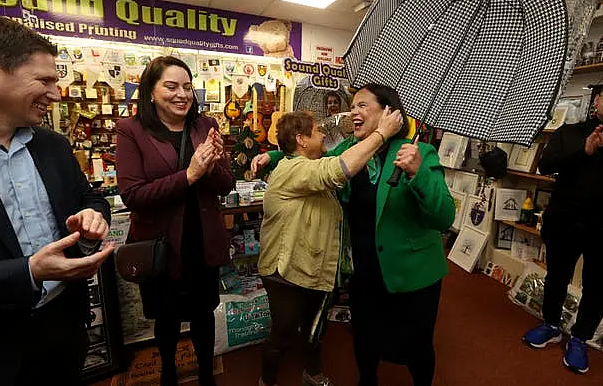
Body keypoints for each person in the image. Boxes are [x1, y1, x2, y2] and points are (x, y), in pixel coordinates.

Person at [253, 83, 455, 386]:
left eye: (362, 105)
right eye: (352, 105)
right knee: (365, 340)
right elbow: (317, 159)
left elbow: (444, 216)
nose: (353, 113)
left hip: (412, 275)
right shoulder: (350, 150)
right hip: (364, 272)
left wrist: (418, 173)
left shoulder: (420, 152)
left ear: (388, 112)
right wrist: (276, 154)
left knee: (417, 348)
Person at [0, 14, 113, 385]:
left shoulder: (53, 146)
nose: (56, 94)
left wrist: (92, 218)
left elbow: (90, 199)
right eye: (44, 80)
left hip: (63, 328)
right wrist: (28, 271)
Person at [258, 108, 403, 386]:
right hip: (286, 270)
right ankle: (267, 382)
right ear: (301, 140)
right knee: (283, 333)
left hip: (312, 268)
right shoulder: (293, 169)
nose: (323, 134)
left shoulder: (304, 164)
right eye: (316, 131)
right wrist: (382, 132)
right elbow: (338, 169)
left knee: (314, 330)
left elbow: (336, 154)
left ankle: (312, 374)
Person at [116, 56, 235, 386]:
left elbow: (226, 184)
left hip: (202, 240)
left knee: (203, 314)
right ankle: (168, 372)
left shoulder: (205, 126)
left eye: (187, 86)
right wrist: (191, 173)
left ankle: (206, 376)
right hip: (160, 245)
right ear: (150, 92)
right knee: (166, 318)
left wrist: (211, 169)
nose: (182, 94)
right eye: (171, 86)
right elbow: (134, 195)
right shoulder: (131, 131)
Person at [522, 76, 603, 374]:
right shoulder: (570, 132)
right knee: (556, 277)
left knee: (598, 289)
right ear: (597, 101)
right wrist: (587, 150)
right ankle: (551, 324)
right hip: (565, 222)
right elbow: (546, 165)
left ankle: (579, 339)